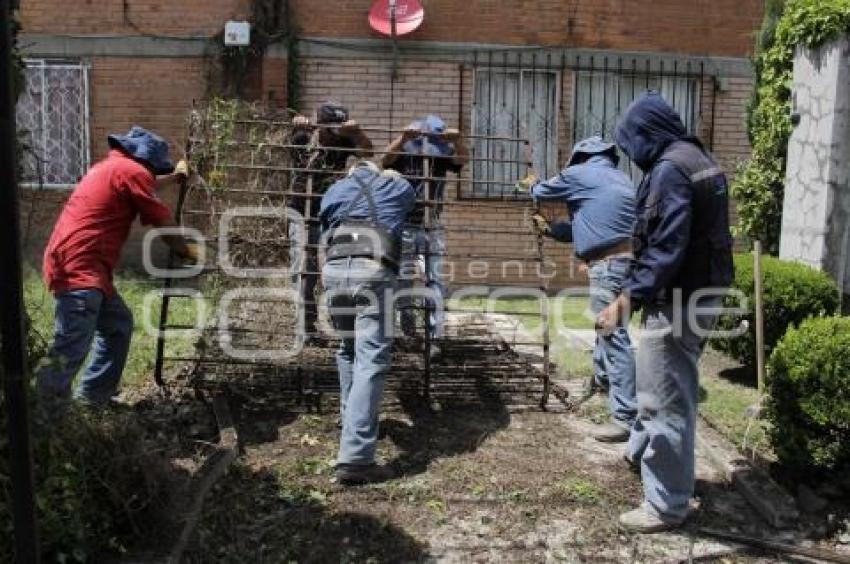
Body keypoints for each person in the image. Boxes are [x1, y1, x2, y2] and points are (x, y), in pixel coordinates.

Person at [596, 92, 733, 532]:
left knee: (663, 400)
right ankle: (639, 452)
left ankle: (666, 505)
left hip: (679, 300)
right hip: (702, 293)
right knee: (662, 382)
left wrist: (626, 299)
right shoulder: (695, 157)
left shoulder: (670, 170)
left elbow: (666, 245)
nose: (630, 152)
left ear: (645, 134)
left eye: (630, 140)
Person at [36, 126, 197, 407]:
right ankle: (43, 415)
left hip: (82, 264)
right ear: (147, 161)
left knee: (117, 325)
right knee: (71, 345)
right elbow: (163, 222)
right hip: (81, 268)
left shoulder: (113, 167)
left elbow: (147, 183)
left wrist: (175, 178)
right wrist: (187, 250)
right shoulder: (131, 173)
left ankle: (92, 399)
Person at [525, 136, 637, 442]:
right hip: (627, 263)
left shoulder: (580, 174)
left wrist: (532, 183)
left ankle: (624, 418)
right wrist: (549, 228)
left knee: (613, 335)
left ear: (580, 158)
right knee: (606, 328)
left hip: (608, 264)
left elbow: (539, 191)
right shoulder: (620, 178)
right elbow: (585, 226)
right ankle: (603, 383)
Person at [320, 160, 417, 485]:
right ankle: (357, 459)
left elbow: (324, 231)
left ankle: (352, 420)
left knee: (348, 350)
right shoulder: (392, 185)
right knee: (371, 359)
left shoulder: (334, 189)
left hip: (334, 270)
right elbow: (408, 196)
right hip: (372, 269)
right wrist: (392, 175)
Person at [381, 115, 468, 358]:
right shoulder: (405, 151)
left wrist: (458, 140)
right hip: (405, 224)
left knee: (436, 281)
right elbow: (385, 160)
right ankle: (408, 333)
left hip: (432, 225)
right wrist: (402, 138)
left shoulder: (443, 156)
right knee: (404, 279)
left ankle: (434, 337)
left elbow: (462, 159)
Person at [288, 102, 373, 343]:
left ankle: (339, 324)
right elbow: (288, 145)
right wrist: (298, 126)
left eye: (337, 127)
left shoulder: (345, 140)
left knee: (335, 270)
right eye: (329, 127)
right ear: (319, 123)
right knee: (305, 271)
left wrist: (357, 133)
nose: (333, 132)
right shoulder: (305, 137)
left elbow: (368, 153)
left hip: (332, 212)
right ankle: (306, 329)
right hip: (301, 211)